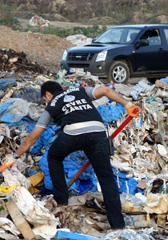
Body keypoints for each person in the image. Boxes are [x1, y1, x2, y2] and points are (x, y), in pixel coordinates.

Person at [14, 80, 141, 229]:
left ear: (48, 94)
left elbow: (32, 138)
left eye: (44, 99)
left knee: (54, 157)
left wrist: (15, 156)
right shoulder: (80, 91)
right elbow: (106, 91)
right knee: (106, 178)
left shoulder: (51, 106)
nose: (46, 101)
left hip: (72, 133)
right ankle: (117, 225)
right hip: (98, 132)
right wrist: (128, 105)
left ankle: (62, 202)